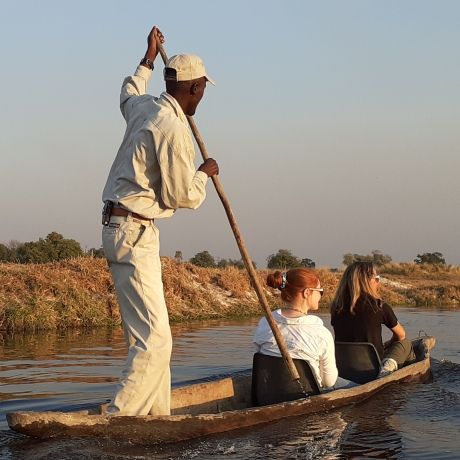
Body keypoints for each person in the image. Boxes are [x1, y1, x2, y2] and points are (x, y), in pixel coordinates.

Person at [101, 26, 219, 416]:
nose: (203, 93)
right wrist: (204, 172)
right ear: (195, 89)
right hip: (134, 230)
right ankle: (118, 421)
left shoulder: (147, 106)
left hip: (119, 226)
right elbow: (180, 195)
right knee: (156, 342)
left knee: (147, 337)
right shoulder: (171, 127)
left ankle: (157, 417)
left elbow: (128, 94)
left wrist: (148, 57)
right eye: (202, 87)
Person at [253, 269, 338, 389]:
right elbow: (329, 382)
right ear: (307, 292)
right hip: (307, 395)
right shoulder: (321, 333)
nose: (321, 295)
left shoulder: (265, 323)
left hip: (268, 392)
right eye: (320, 291)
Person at [330, 261, 415, 377]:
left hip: (344, 368)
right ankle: (392, 367)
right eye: (377, 278)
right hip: (373, 368)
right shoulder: (379, 306)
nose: (378, 283)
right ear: (369, 281)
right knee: (406, 344)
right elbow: (401, 335)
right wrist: (389, 343)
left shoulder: (336, 307)